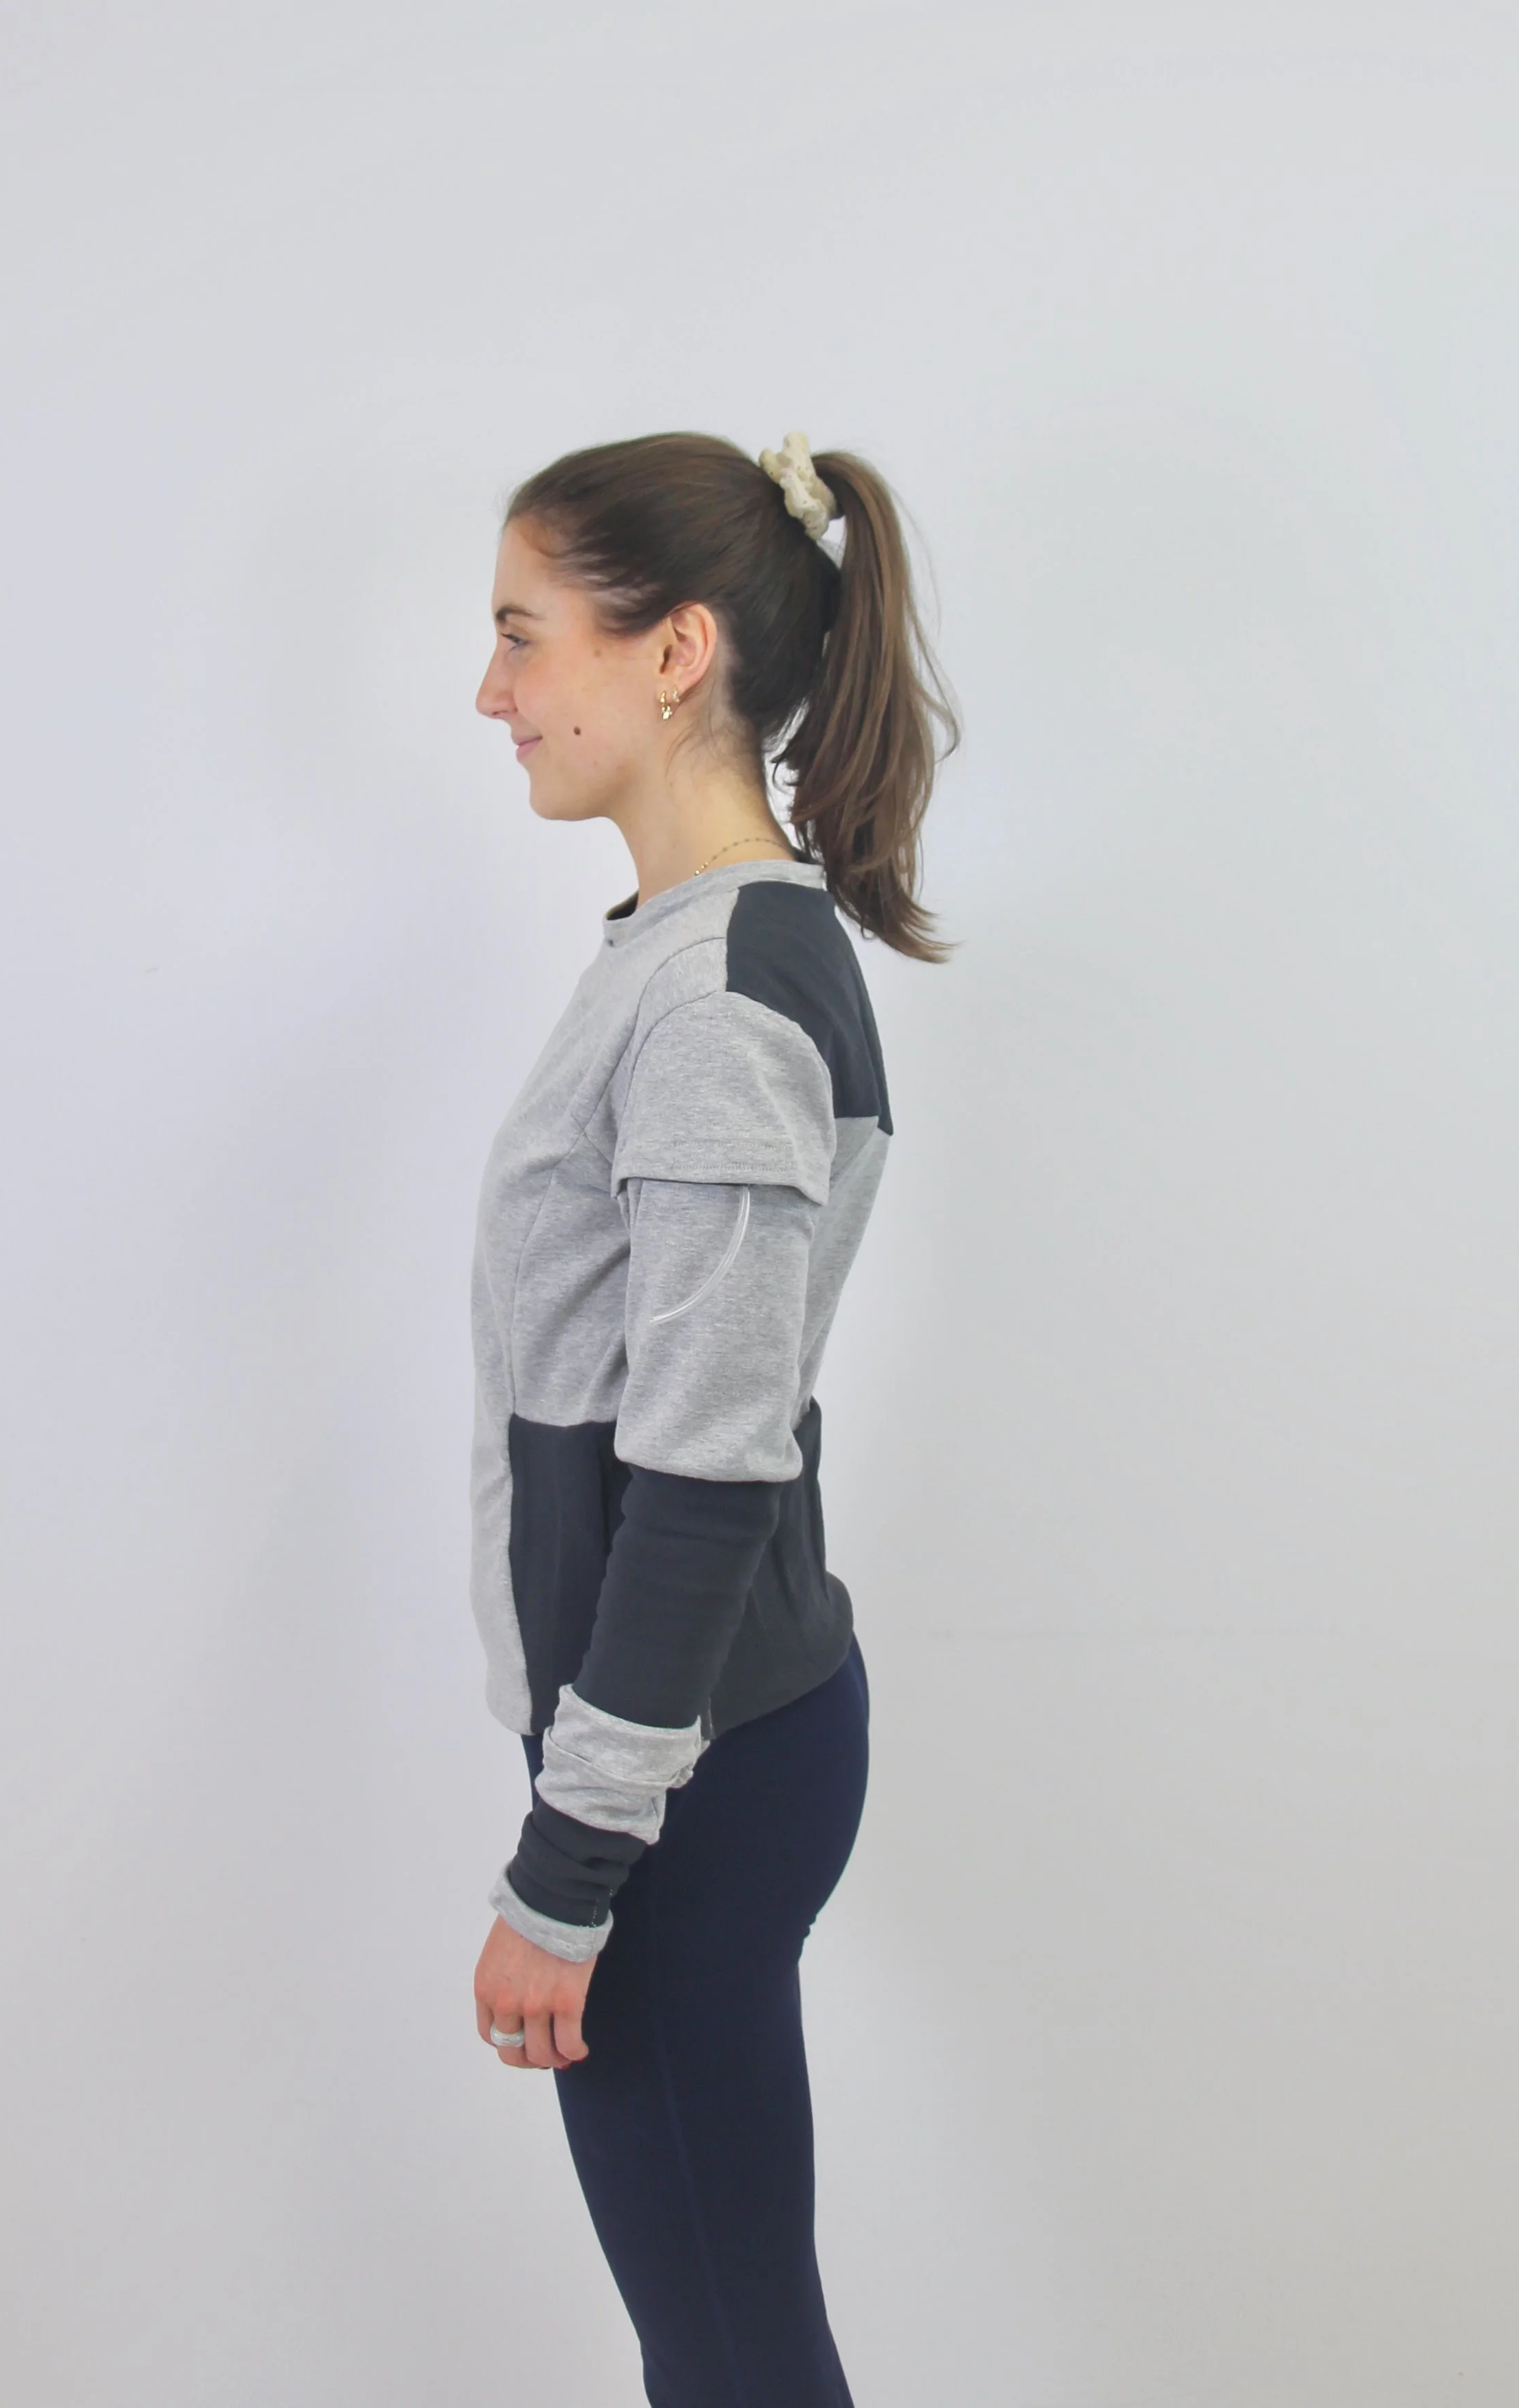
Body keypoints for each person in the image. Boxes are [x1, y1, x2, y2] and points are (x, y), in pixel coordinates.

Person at [466, 428, 956, 2406]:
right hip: (691, 1750)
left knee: (736, 2358)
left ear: (673, 652)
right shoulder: (698, 956)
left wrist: (564, 1872)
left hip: (683, 1780)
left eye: (524, 633)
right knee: (724, 2343)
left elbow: (700, 1476)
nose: (491, 690)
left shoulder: (721, 1001)